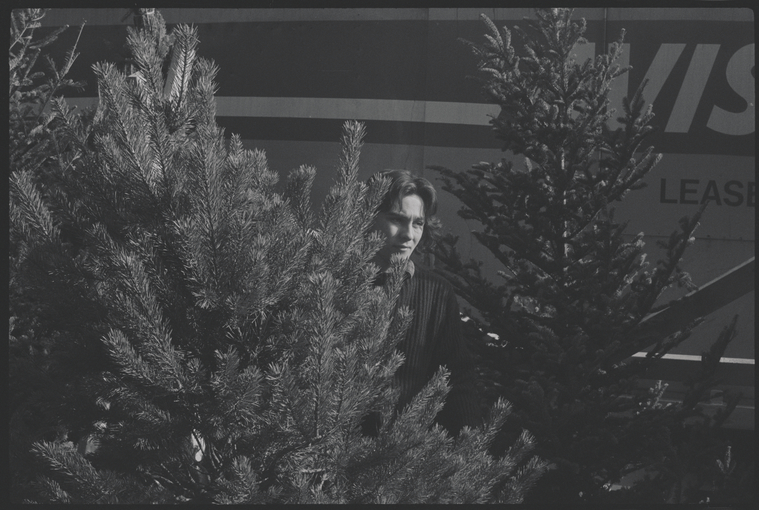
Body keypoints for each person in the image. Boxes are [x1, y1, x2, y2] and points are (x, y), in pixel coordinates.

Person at [363, 169, 482, 437]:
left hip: (405, 457)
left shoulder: (437, 292)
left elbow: (456, 376)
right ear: (368, 218)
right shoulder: (336, 283)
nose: (408, 234)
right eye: (396, 219)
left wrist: (467, 452)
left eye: (418, 223)